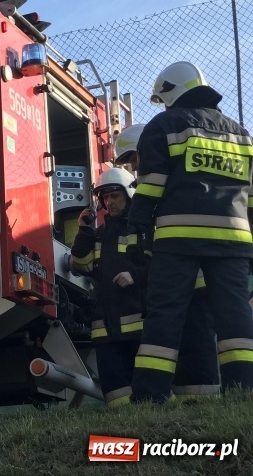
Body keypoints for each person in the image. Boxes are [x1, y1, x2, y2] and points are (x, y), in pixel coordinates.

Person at [127, 62, 253, 402]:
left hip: (178, 239)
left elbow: (151, 186)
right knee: (236, 318)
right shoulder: (241, 133)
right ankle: (243, 393)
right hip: (235, 240)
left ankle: (150, 399)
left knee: (166, 315)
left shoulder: (165, 125)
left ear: (171, 92)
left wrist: (137, 230)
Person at [115, 123, 221, 401]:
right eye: (128, 162)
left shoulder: (171, 185)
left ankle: (201, 402)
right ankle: (180, 401)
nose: (133, 166)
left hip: (191, 279)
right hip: (166, 280)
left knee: (196, 342)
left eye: (134, 158)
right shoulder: (153, 188)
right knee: (176, 343)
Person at [71, 168, 146, 406]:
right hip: (105, 331)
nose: (109, 202)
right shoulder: (100, 234)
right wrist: (84, 230)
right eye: (105, 197)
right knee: (116, 397)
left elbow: (163, 266)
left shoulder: (143, 228)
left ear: (128, 194)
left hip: (140, 327)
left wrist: (135, 275)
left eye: (115, 195)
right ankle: (126, 433)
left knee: (149, 393)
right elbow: (81, 265)